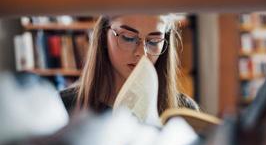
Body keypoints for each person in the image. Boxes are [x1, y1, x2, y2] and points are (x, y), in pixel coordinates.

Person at [60, 14, 199, 116]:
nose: (142, 53)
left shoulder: (184, 111)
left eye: (154, 41)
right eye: (128, 38)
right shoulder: (61, 107)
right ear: (103, 36)